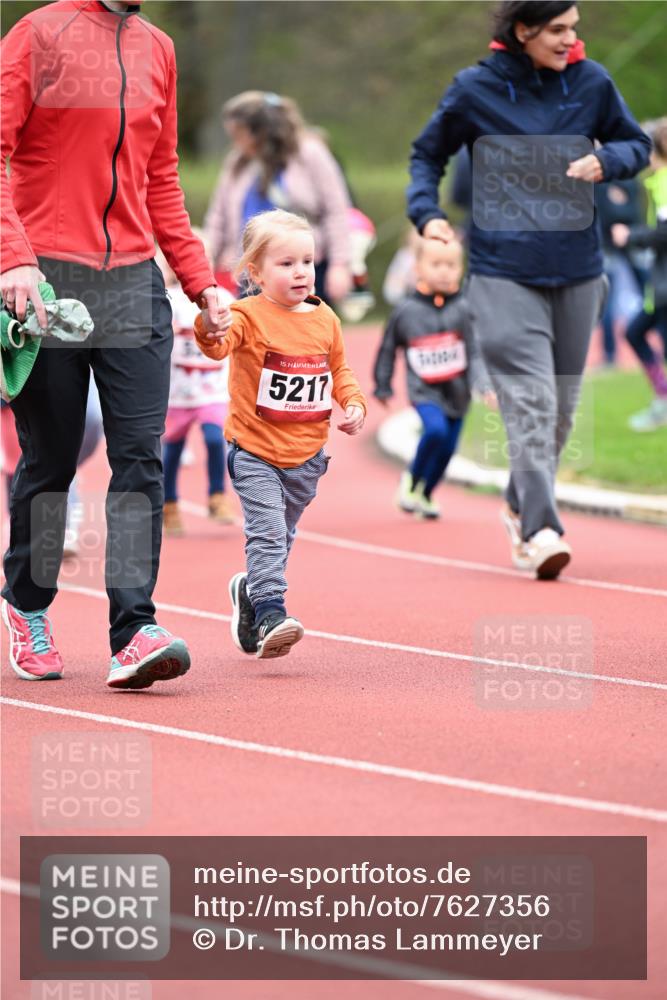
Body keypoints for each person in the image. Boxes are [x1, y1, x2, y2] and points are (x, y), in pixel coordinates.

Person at [0, 0, 230, 687]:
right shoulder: (38, 35)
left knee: (139, 457)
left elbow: (160, 180)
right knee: (52, 460)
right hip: (49, 282)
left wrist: (200, 282)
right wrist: (13, 258)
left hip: (133, 284)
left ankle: (134, 629)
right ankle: (27, 605)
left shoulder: (157, 47)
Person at [407, 0, 650, 579]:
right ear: (524, 30)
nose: (571, 39)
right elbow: (427, 153)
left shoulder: (591, 82)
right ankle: (542, 527)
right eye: (559, 29)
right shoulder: (474, 89)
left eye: (575, 29)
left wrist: (604, 159)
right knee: (532, 402)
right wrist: (426, 212)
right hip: (502, 271)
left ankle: (519, 504)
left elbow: (636, 146)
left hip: (578, 269)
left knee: (561, 410)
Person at [194, 209, 366, 660]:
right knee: (268, 534)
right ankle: (271, 611)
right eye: (286, 263)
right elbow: (217, 346)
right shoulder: (246, 315)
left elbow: (339, 370)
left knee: (282, 537)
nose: (301, 272)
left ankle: (250, 591)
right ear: (255, 272)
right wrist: (208, 327)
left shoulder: (325, 319)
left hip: (307, 457)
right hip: (255, 452)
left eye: (307, 261)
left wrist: (353, 403)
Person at [373, 237, 493, 519]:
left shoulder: (465, 309)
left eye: (451, 265)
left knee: (448, 448)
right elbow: (388, 348)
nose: (443, 271)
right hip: (424, 389)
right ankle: (412, 478)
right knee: (435, 431)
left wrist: (484, 385)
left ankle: (426, 495)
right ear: (418, 267)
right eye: (436, 264)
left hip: (458, 392)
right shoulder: (406, 311)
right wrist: (382, 384)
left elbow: (476, 352)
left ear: (461, 268)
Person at [204, 91, 353, 305]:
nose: (235, 143)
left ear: (259, 131)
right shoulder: (237, 162)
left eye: (238, 135)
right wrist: (206, 261)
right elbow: (218, 216)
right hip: (252, 275)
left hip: (301, 271)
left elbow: (337, 211)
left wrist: (340, 265)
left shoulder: (310, 154)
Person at [157, 245, 236, 536]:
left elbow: (237, 329)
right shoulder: (169, 300)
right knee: (173, 449)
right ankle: (169, 504)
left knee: (217, 439)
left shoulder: (223, 298)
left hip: (213, 388)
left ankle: (217, 496)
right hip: (178, 390)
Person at [612, 119, 667, 432]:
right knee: (635, 333)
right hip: (658, 284)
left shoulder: (665, 182)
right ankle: (662, 396)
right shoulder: (657, 181)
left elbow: (665, 234)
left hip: (665, 284)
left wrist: (630, 236)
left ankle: (663, 400)